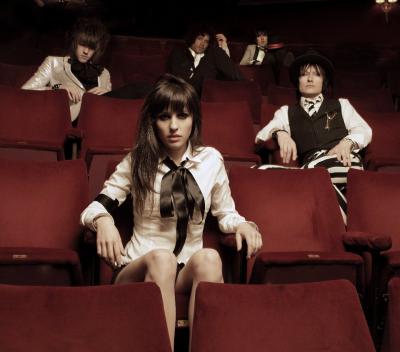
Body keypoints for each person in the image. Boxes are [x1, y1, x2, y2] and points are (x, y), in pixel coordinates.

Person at [80, 73, 262, 350]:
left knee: (210, 258)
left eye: (182, 116)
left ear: (194, 119)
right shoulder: (137, 160)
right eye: (164, 117)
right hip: (139, 267)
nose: (174, 126)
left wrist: (243, 225)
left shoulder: (211, 160)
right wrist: (103, 221)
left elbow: (226, 213)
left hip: (184, 270)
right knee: (163, 259)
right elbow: (94, 207)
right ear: (153, 121)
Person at [255, 50, 372, 221]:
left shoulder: (342, 105)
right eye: (304, 75)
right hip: (314, 166)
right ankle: (345, 218)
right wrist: (280, 133)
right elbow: (260, 136)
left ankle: (299, 177)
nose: (310, 79)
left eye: (316, 75)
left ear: (324, 81)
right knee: (260, 171)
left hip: (344, 161)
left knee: (347, 165)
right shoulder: (286, 112)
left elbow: (364, 130)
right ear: (298, 81)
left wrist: (347, 142)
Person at [21, 17, 111, 121]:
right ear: (74, 43)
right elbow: (25, 91)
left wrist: (108, 95)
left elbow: (110, 109)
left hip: (95, 122)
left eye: (91, 48)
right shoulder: (53, 62)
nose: (86, 51)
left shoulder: (104, 73)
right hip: (62, 121)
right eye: (82, 44)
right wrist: (57, 88)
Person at [166, 23, 244, 95]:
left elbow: (231, 71)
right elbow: (178, 80)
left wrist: (223, 47)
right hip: (181, 94)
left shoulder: (212, 55)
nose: (202, 44)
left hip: (206, 96)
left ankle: (247, 87)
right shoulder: (179, 53)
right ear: (192, 38)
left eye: (206, 41)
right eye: (199, 39)